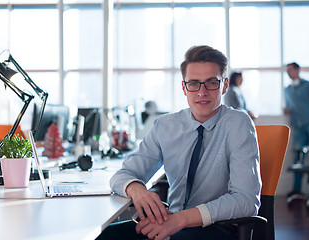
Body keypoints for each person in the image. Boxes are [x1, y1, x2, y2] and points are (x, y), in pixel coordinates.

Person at [97, 45, 261, 240]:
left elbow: (246, 200)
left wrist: (182, 219)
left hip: (215, 227)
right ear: (184, 87)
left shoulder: (238, 123)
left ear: (224, 85)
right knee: (103, 236)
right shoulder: (165, 126)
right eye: (194, 83)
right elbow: (122, 175)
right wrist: (137, 189)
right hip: (170, 221)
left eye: (211, 83)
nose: (202, 92)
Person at [284, 62, 309, 196]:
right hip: (297, 128)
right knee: (298, 159)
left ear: (297, 70)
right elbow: (289, 106)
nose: (288, 73)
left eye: (290, 70)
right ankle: (296, 189)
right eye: (287, 71)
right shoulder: (287, 89)